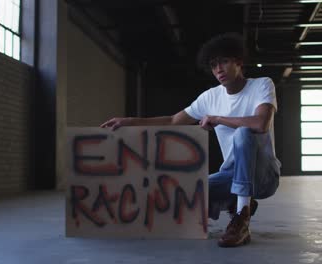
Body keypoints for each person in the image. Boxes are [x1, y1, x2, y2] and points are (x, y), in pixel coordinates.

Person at [101, 33, 281, 247]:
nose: (219, 70)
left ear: (239, 62)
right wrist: (130, 121)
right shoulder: (210, 97)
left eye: (224, 61)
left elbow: (261, 123)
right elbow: (173, 120)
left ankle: (242, 217)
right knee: (185, 195)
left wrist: (218, 118)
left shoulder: (261, 85)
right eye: (214, 65)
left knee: (243, 133)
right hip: (231, 174)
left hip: (264, 176)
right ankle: (238, 199)